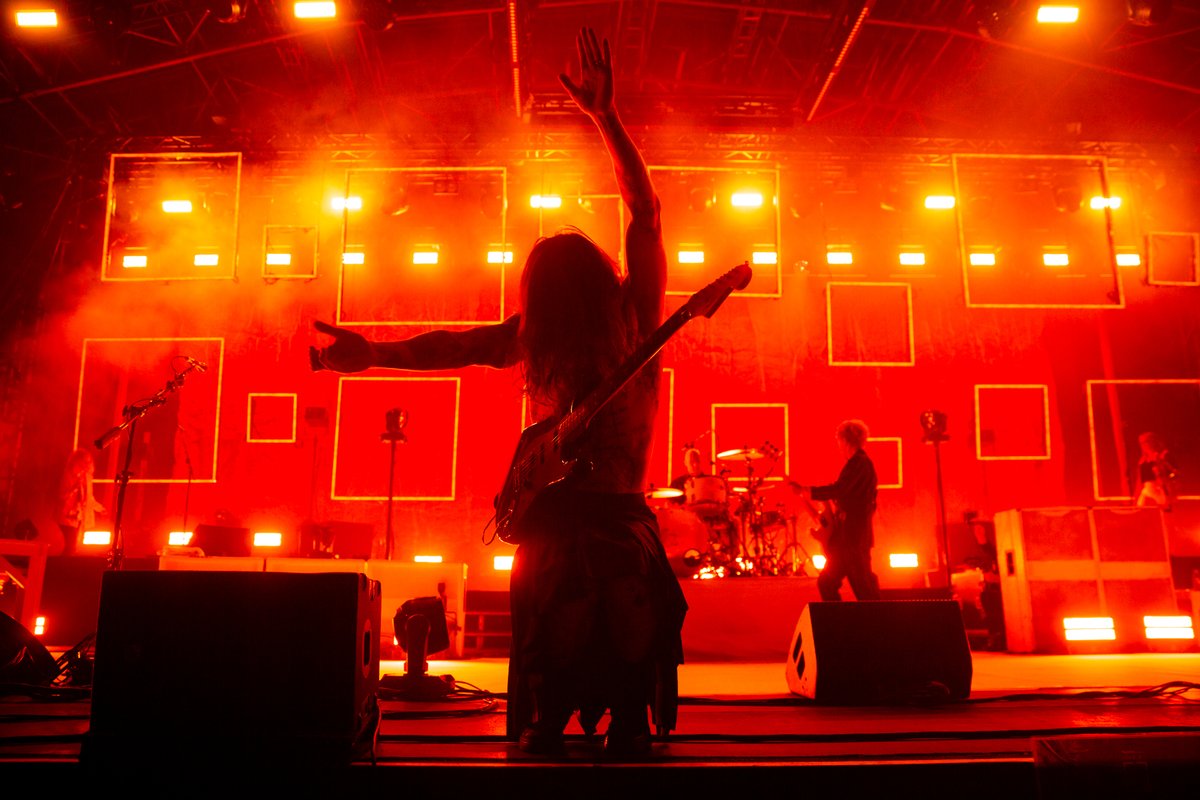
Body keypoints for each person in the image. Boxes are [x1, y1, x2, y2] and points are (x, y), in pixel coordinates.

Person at [311, 27, 686, 759]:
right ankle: (562, 718)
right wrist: (376, 354)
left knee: (624, 614)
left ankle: (604, 721)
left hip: (614, 510)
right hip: (562, 508)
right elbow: (459, 345)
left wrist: (605, 118)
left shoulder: (636, 313)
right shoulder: (544, 329)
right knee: (563, 617)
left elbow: (646, 215)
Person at [791, 420, 881, 602]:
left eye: (838, 440)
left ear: (846, 440)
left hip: (854, 538)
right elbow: (842, 491)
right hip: (846, 539)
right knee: (827, 583)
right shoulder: (856, 464)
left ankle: (878, 626)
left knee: (864, 590)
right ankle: (838, 624)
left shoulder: (860, 464)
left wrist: (808, 491)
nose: (838, 445)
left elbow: (840, 489)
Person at [57, 447, 105, 554]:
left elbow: (89, 498)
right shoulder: (69, 475)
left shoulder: (87, 477)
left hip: (79, 518)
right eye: (85, 461)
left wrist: (100, 508)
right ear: (77, 461)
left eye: (89, 461)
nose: (87, 464)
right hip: (67, 517)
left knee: (75, 547)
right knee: (69, 546)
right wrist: (74, 487)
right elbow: (62, 495)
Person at [1134, 432, 1178, 511]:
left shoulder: (1163, 455)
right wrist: (1136, 497)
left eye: (1146, 442)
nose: (1144, 445)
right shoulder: (1143, 460)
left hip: (1163, 491)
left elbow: (1175, 472)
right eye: (1141, 443)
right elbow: (1140, 480)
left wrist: (1167, 478)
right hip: (1148, 493)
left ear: (1153, 441)